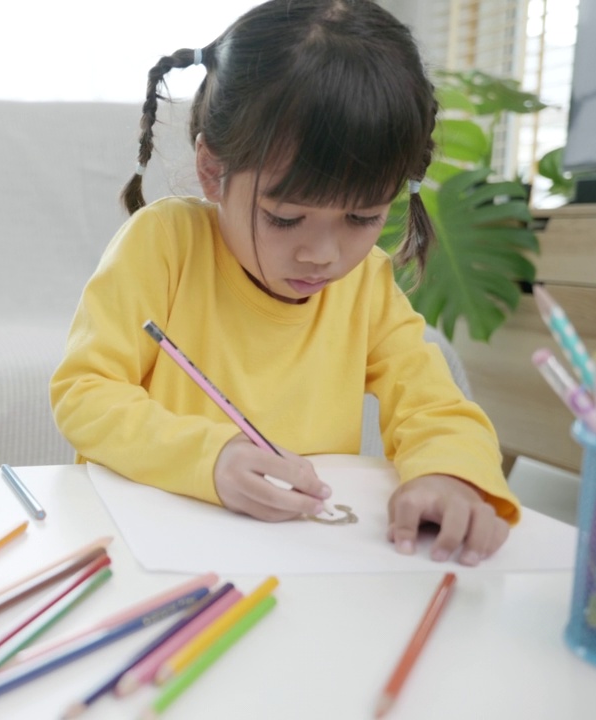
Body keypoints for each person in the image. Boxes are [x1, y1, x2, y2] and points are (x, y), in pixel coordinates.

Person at [50, 0, 517, 566]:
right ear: (212, 170)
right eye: (285, 218)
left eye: (363, 218)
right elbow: (85, 392)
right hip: (151, 545)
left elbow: (432, 405)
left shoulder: (366, 285)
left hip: (298, 561)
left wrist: (449, 475)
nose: (322, 256)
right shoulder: (165, 244)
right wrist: (211, 458)